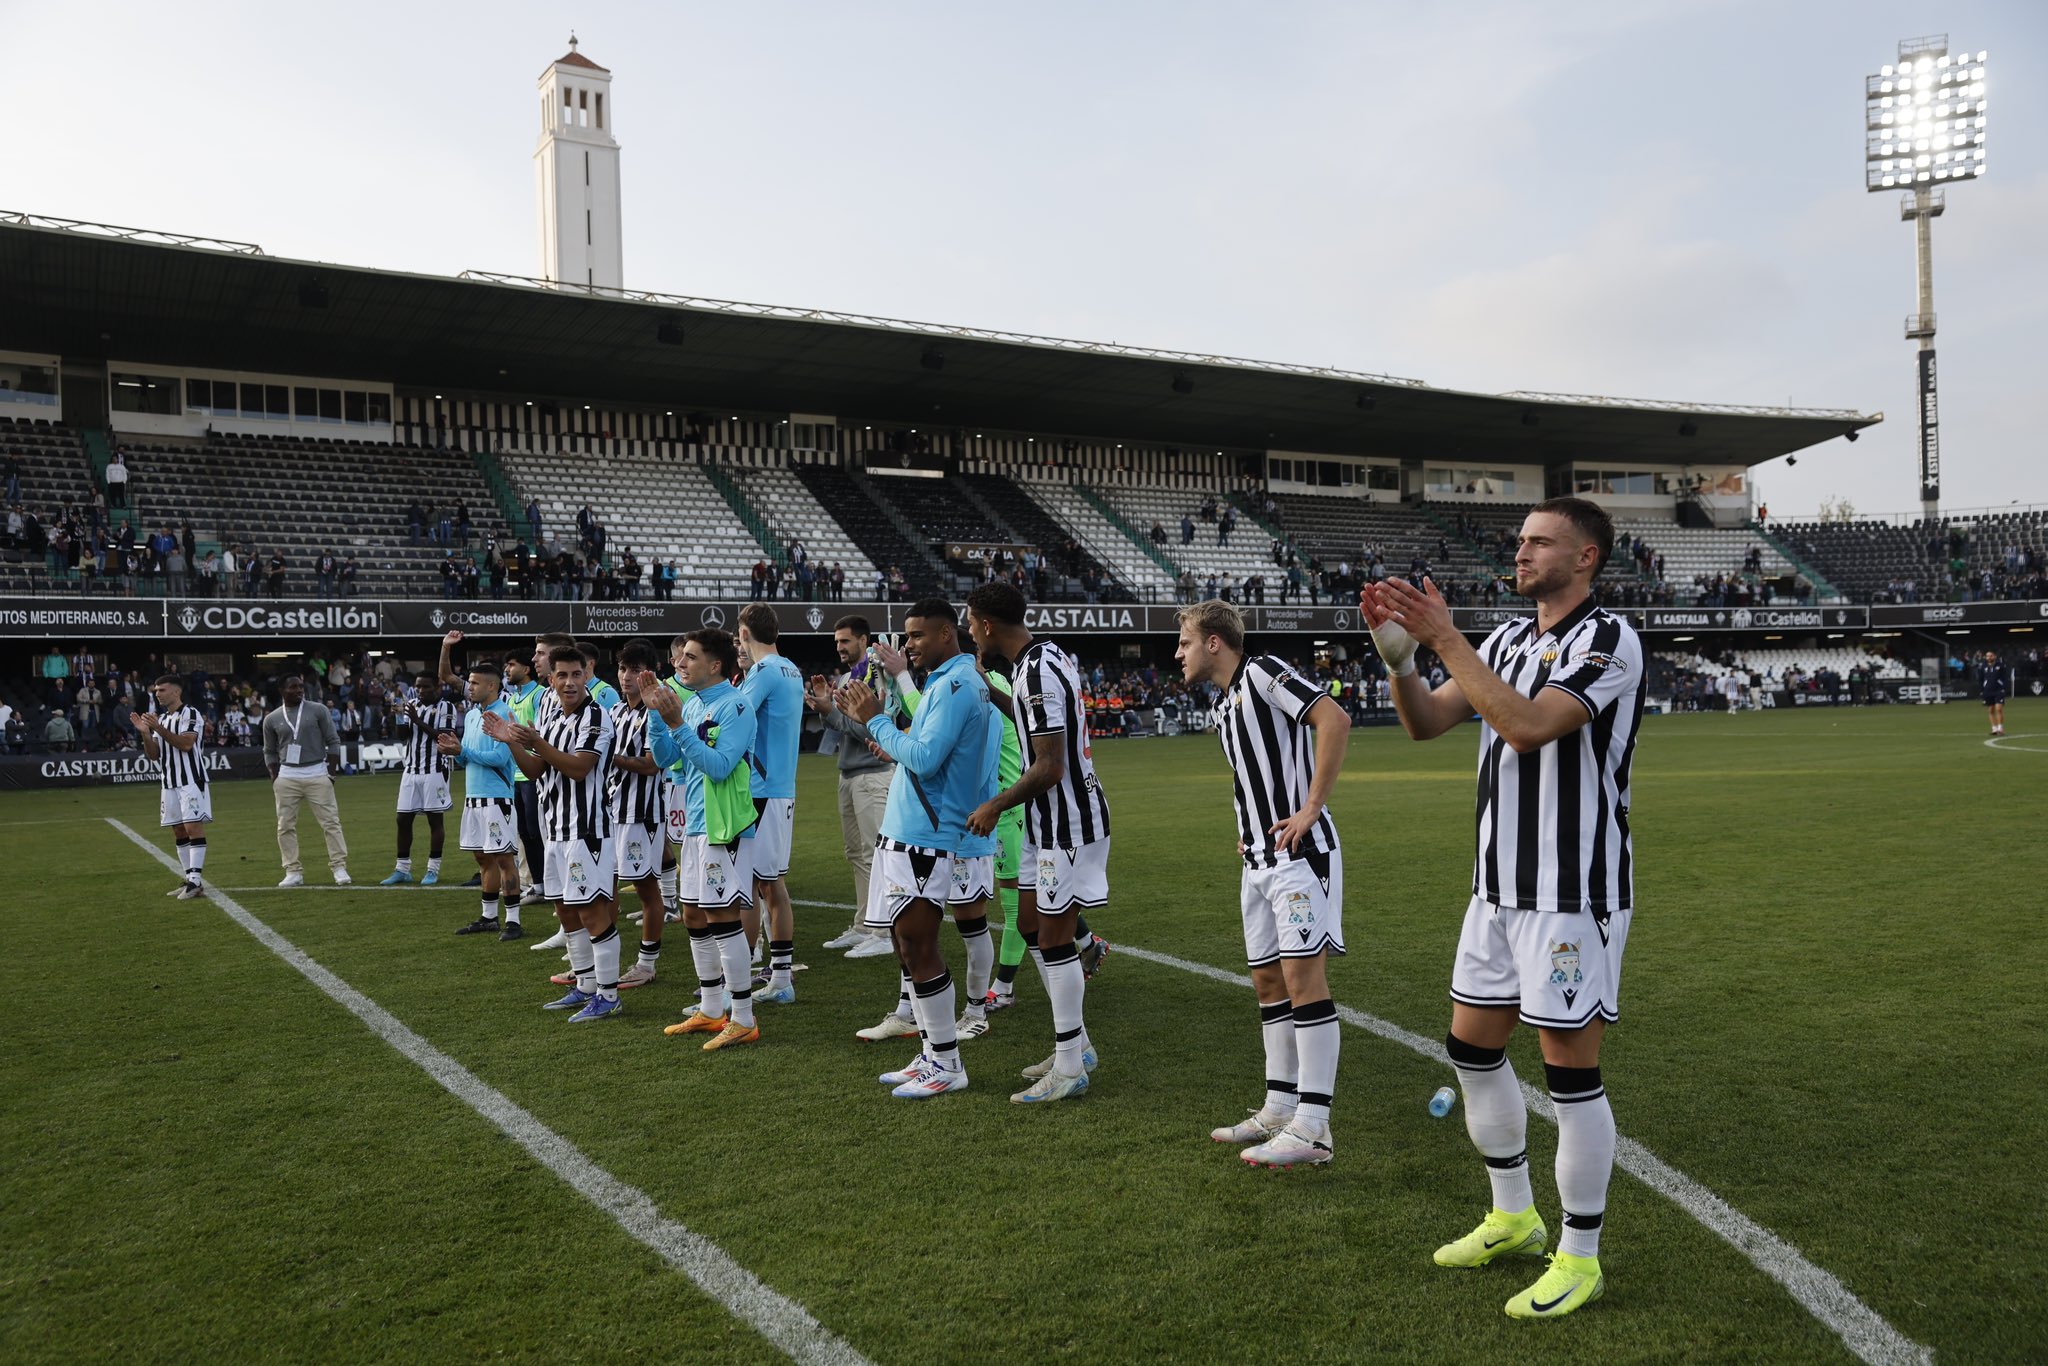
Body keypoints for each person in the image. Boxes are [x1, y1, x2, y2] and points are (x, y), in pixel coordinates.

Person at [1361, 496, 1644, 1321]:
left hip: (1568, 893)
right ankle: (1513, 1216)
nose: (1521, 554)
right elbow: (1425, 724)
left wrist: (1445, 638)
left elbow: (1524, 727)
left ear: (1586, 557)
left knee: (1570, 1076)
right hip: (1495, 891)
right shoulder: (1508, 640)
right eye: (1520, 541)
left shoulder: (1607, 640)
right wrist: (1400, 661)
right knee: (1472, 1048)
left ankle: (1580, 1258)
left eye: (1540, 542)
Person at [1175, 600, 1351, 1168]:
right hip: (1257, 860)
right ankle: (1280, 1106)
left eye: (1185, 641)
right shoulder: (1223, 706)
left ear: (1215, 643)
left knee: (1304, 982)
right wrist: (1250, 833)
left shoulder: (1263, 671)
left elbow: (1334, 719)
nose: (1177, 653)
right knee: (1270, 984)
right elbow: (1252, 782)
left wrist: (1310, 809)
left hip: (1300, 854)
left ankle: (1315, 1127)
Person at [834, 600, 992, 1099]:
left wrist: (876, 722)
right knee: (906, 947)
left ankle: (947, 1063)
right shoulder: (949, 682)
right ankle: (931, 1052)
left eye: (919, 636)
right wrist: (889, 733)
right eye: (907, 636)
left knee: (919, 945)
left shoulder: (956, 684)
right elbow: (923, 746)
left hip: (925, 834)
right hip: (909, 831)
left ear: (948, 634)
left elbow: (925, 759)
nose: (910, 646)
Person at [964, 582, 1111, 1104]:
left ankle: (1071, 1064)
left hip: (1066, 823)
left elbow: (1050, 764)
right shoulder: (1037, 662)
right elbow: (1034, 727)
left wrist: (994, 805)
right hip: (1044, 823)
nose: (968, 631)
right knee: (1029, 924)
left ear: (985, 625)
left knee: (1052, 937)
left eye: (969, 622)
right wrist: (995, 693)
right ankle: (1078, 1048)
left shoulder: (1040, 669)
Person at [486, 646, 622, 1022]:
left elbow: (579, 768)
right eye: (561, 675)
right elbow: (535, 771)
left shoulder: (597, 717)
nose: (569, 682)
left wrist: (536, 742)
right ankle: (585, 985)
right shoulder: (554, 720)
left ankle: (609, 996)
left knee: (593, 913)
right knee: (566, 911)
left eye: (576, 674)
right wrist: (510, 740)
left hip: (586, 831)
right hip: (556, 832)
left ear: (586, 675)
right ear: (551, 680)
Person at [643, 629, 761, 1051]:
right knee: (693, 915)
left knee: (721, 917)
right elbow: (666, 760)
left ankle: (743, 1017)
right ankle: (712, 1009)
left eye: (690, 657)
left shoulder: (736, 705)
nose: (680, 663)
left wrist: (676, 723)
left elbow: (721, 765)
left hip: (723, 827)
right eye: (680, 656)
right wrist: (657, 717)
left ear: (715, 666)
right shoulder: (693, 704)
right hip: (695, 827)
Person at [806, 616, 901, 959]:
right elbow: (843, 728)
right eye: (836, 643)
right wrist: (824, 708)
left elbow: (875, 730)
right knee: (857, 855)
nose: (840, 648)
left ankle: (885, 931)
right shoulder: (847, 678)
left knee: (877, 855)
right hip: (848, 774)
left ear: (864, 639)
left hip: (874, 774)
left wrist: (837, 712)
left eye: (845, 641)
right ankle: (864, 924)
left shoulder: (879, 676)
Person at [736, 603, 806, 1003]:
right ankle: (779, 978)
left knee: (751, 884)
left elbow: (735, 716)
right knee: (769, 883)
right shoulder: (790, 668)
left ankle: (741, 980)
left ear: (745, 634)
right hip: (780, 787)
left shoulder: (762, 673)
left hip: (762, 788)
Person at [443, 660, 522, 940]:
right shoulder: (474, 715)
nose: (470, 688)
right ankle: (489, 917)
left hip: (497, 798)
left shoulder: (505, 713)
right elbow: (470, 757)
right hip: (473, 796)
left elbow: (501, 759)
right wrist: (457, 751)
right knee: (482, 859)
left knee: (503, 859)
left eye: (475, 683)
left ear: (492, 685)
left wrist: (464, 750)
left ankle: (513, 920)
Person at [607, 640, 670, 987]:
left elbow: (651, 765)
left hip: (641, 814)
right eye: (622, 669)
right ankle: (600, 958)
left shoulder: (654, 711)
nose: (626, 677)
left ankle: (647, 964)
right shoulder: (616, 712)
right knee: (606, 887)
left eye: (634, 669)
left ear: (651, 672)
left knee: (647, 890)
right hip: (612, 812)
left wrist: (606, 758)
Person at [263, 675, 350, 888]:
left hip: (317, 772)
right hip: (287, 775)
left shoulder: (319, 710)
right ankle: (293, 871)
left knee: (331, 822)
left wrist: (331, 772)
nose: (299, 690)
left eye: (301, 686)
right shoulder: (272, 718)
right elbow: (269, 750)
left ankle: (339, 867)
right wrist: (275, 777)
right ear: (282, 690)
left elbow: (333, 740)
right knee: (285, 826)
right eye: (293, 687)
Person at [136, 674, 211, 899]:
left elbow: (186, 744)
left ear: (176, 692)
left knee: (192, 828)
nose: (157, 694)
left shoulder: (191, 713)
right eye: (156, 690)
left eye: (162, 690)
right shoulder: (163, 720)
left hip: (190, 780)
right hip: (169, 782)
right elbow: (153, 755)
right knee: (178, 830)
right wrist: (145, 733)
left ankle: (196, 881)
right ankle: (189, 879)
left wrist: (157, 728)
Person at [381, 675, 458, 886]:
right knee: (403, 819)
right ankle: (402, 869)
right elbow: (403, 736)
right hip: (411, 770)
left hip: (435, 769)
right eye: (418, 687)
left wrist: (416, 720)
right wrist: (398, 717)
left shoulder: (446, 707)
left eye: (426, 686)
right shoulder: (411, 704)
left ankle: (432, 869)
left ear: (436, 686)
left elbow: (443, 737)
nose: (421, 691)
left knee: (434, 820)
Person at [1980, 651, 2009, 736]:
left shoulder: (2000, 665)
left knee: (1999, 709)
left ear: (1995, 656)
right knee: (1991, 710)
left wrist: (2004, 688)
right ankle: (1994, 728)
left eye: (1991, 656)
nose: (1989, 657)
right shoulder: (1983, 666)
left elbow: (2005, 678)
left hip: (1998, 690)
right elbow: (1980, 679)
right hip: (1987, 691)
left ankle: (2000, 728)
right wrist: (1981, 690)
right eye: (1987, 656)